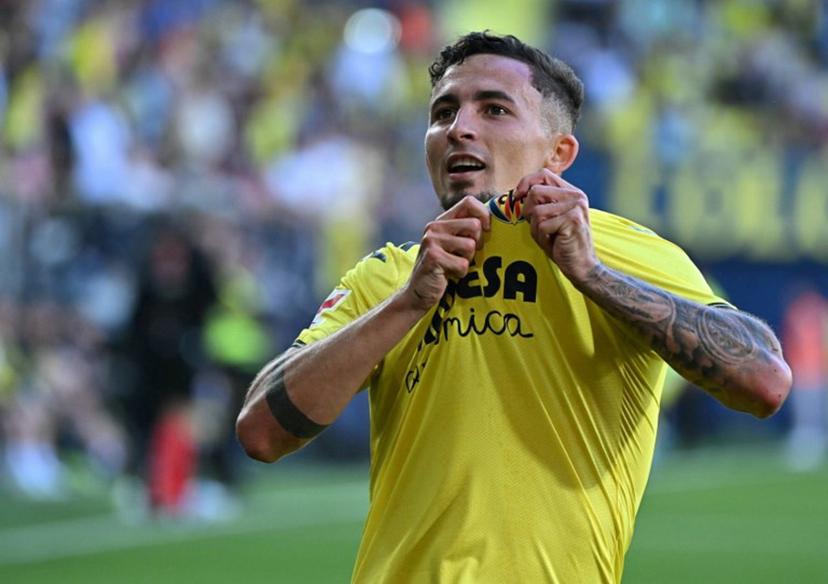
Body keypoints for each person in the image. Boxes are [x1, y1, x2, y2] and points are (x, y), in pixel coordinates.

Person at [236, 32, 792, 583]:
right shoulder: (386, 276)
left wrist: (591, 275)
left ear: (559, 152)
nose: (460, 128)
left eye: (495, 109)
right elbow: (261, 433)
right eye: (443, 113)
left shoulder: (620, 250)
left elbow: (765, 381)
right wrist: (409, 303)